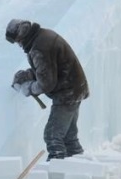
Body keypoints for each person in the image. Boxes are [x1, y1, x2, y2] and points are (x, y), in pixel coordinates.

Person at [6, 19, 89, 161]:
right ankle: (79, 170)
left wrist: (29, 88)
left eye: (17, 42)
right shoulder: (42, 36)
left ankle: (57, 171)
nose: (19, 46)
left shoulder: (38, 48)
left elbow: (47, 83)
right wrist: (26, 75)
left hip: (67, 94)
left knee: (52, 135)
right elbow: (49, 68)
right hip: (75, 88)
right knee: (69, 138)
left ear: (20, 37)